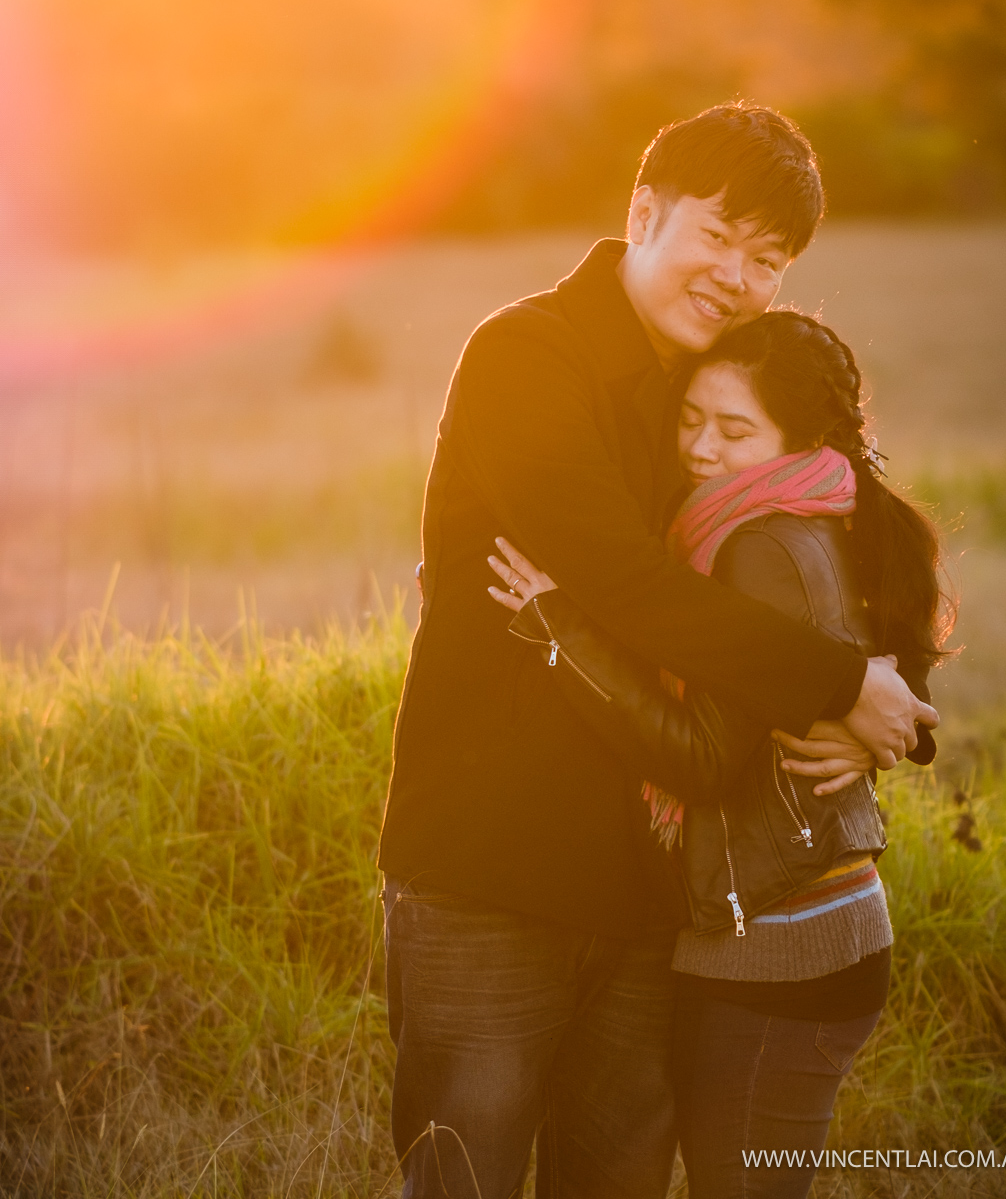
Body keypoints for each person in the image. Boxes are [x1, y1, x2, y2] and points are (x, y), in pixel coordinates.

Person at [378, 102, 937, 1198]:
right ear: (643, 212)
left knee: (617, 1180)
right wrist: (834, 686)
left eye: (765, 258)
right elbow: (621, 586)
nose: (734, 274)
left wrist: (890, 695)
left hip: (651, 895)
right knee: (464, 1176)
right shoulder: (526, 355)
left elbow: (833, 543)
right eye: (716, 236)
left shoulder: (717, 391)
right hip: (490, 866)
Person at [489, 311, 950, 1197]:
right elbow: (884, 659)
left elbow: (703, 763)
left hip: (780, 946)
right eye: (691, 417)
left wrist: (563, 632)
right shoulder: (811, 510)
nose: (701, 447)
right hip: (803, 922)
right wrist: (873, 718)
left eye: (734, 429)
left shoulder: (753, 545)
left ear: (796, 439)